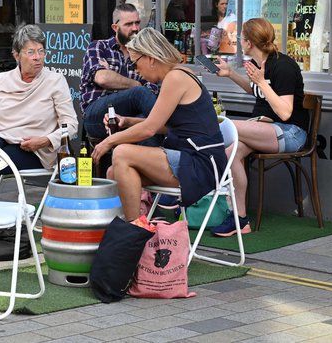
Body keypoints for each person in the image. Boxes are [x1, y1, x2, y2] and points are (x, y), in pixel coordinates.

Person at [91, 28, 227, 221]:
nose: (135, 71)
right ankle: (136, 227)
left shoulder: (176, 77)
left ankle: (133, 230)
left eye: (136, 63)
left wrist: (109, 141)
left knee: (121, 152)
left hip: (201, 163)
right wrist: (128, 121)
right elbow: (165, 125)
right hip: (192, 157)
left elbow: (150, 129)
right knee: (113, 171)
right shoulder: (177, 74)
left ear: (151, 58)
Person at [212, 18, 309, 237]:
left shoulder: (283, 66)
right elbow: (257, 92)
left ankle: (182, 182)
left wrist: (262, 82)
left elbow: (285, 112)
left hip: (290, 131)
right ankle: (240, 218)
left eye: (241, 37)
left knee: (225, 126)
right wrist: (231, 75)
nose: (239, 40)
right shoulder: (259, 64)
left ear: (248, 42)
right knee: (230, 153)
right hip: (266, 128)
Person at [0, 24, 78, 201]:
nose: (38, 58)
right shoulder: (2, 80)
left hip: (34, 148)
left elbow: (71, 125)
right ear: (16, 55)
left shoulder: (55, 81)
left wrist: (45, 140)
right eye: (31, 52)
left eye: (41, 51)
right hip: (2, 137)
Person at [79, 0, 160, 144]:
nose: (135, 28)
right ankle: (173, 127)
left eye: (137, 23)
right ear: (115, 27)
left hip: (129, 116)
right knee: (140, 94)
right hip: (97, 115)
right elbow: (103, 79)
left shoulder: (144, 54)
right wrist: (136, 85)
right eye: (129, 24)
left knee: (147, 127)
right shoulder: (98, 47)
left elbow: (153, 88)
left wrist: (113, 76)